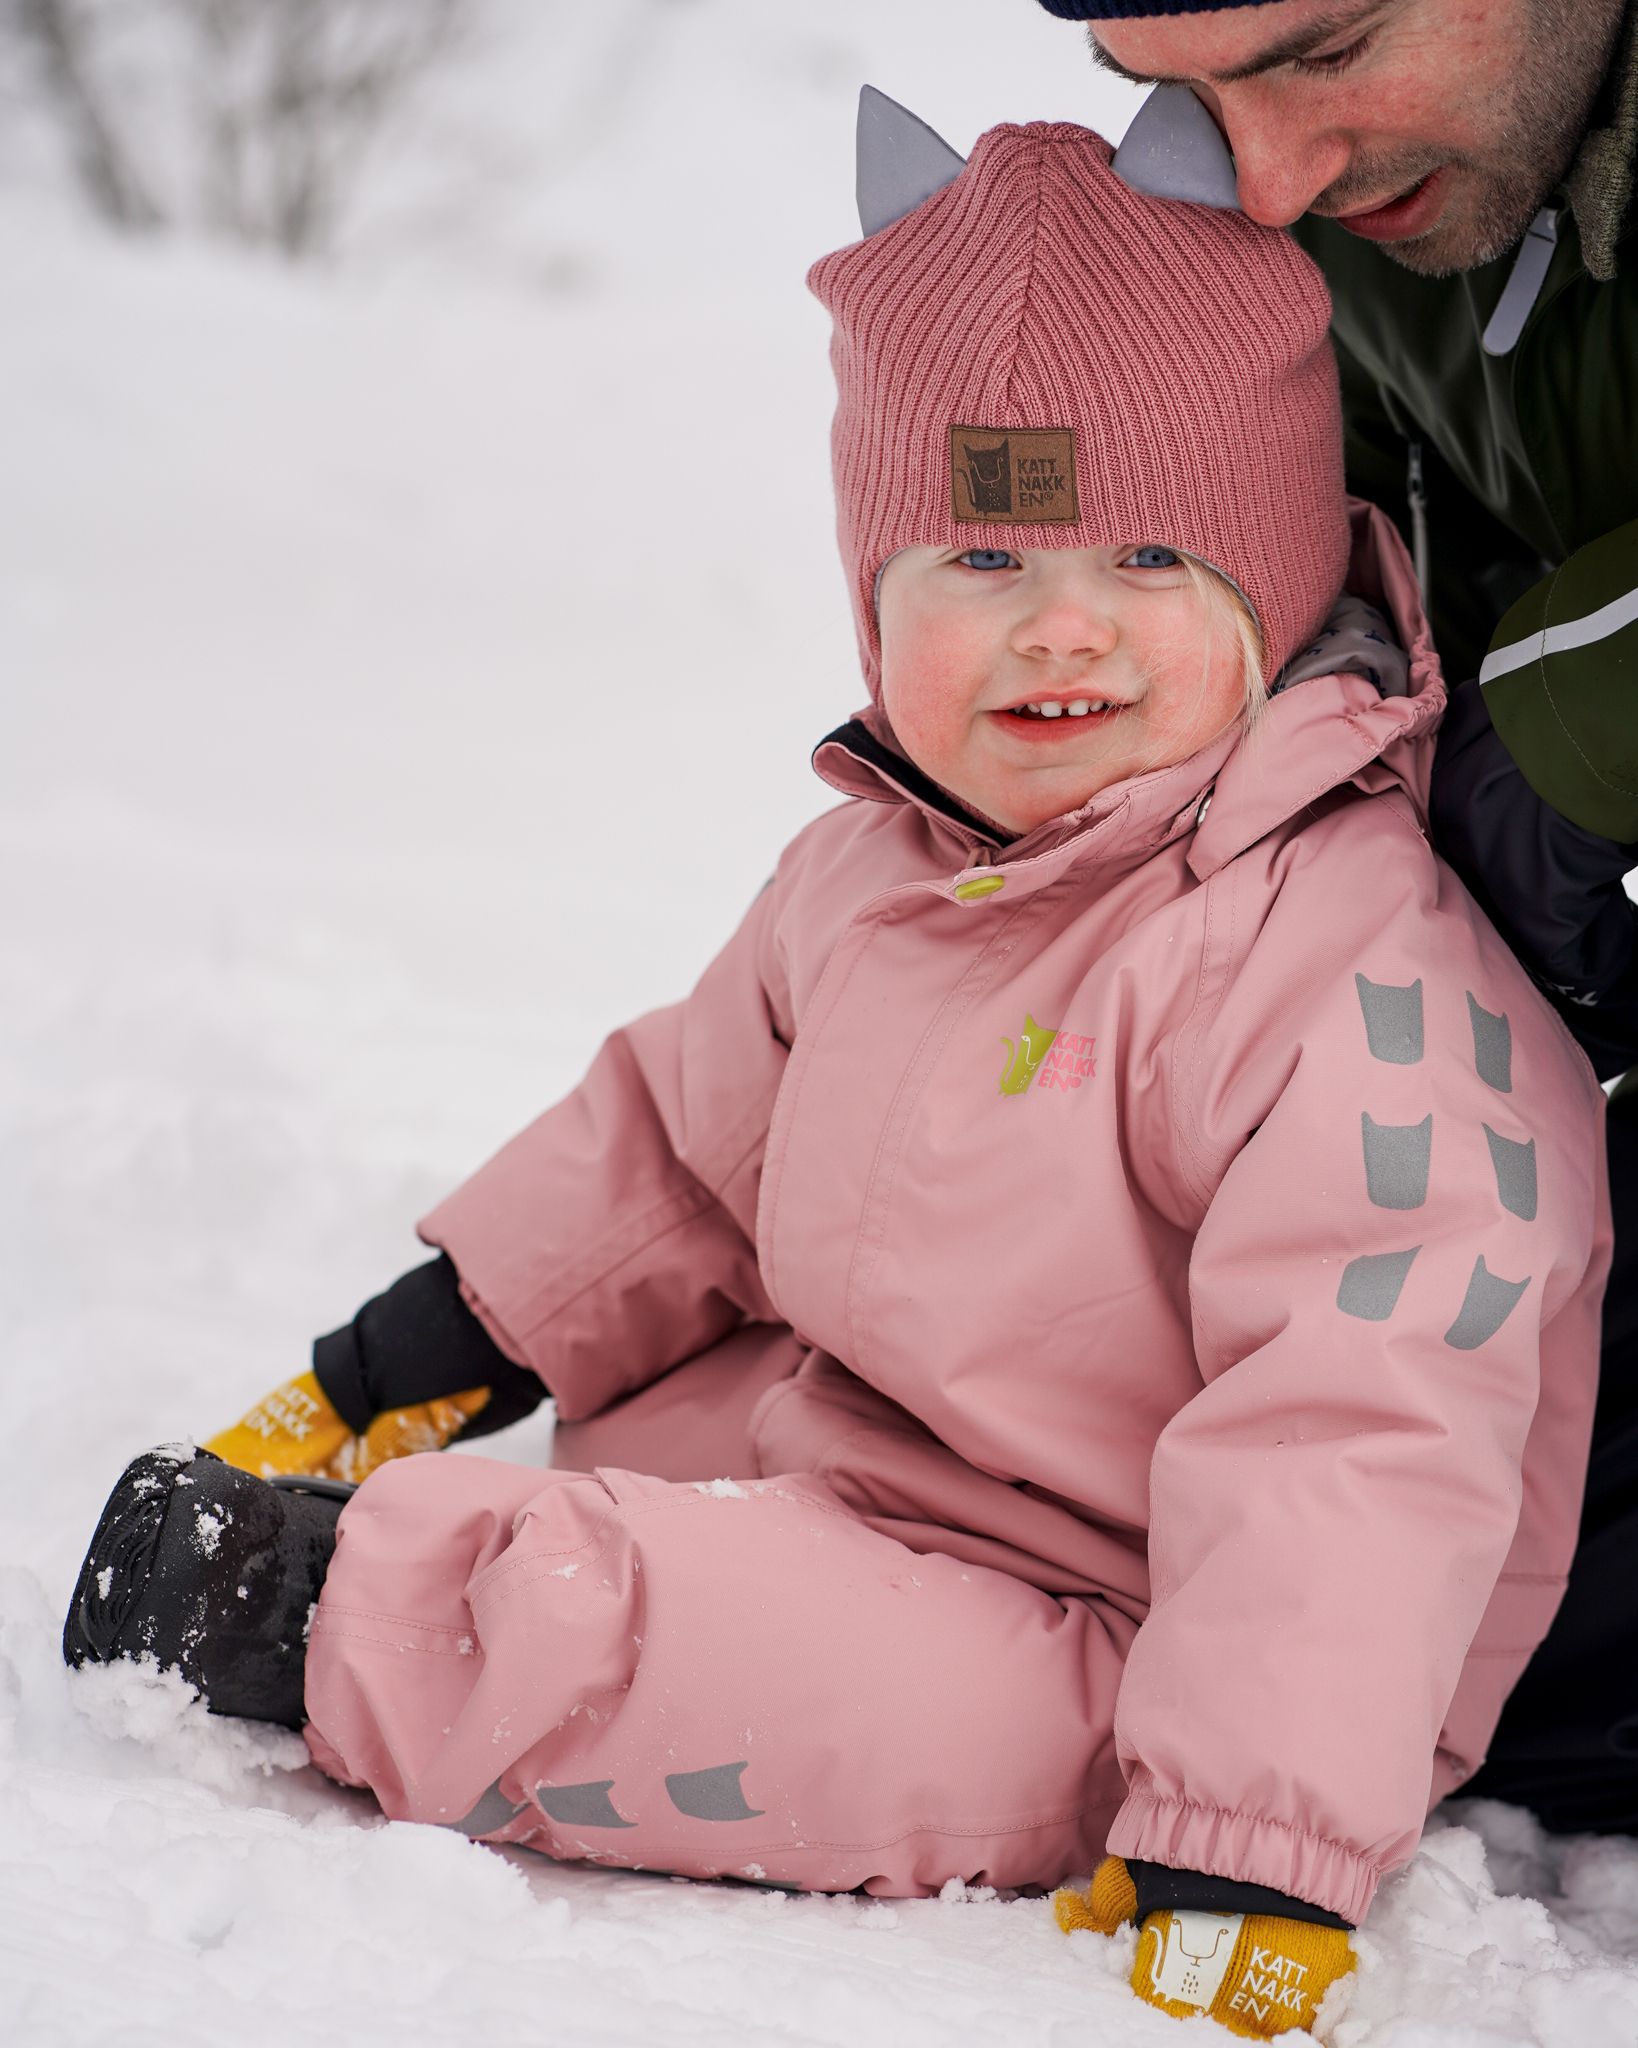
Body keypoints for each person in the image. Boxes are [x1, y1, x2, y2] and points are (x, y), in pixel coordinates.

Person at [63, 106, 1610, 2040]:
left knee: (719, 1659)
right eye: (979, 549)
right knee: (690, 1478)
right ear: (872, 591)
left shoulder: (1349, 973)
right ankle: (473, 1539)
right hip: (864, 1465)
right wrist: (426, 1351)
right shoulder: (879, 864)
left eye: (1147, 552)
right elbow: (684, 1145)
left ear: (1281, 576)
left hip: (1124, 1637)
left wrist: (1249, 1830)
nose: (1061, 624)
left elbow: (1367, 1430)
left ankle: (329, 1620)